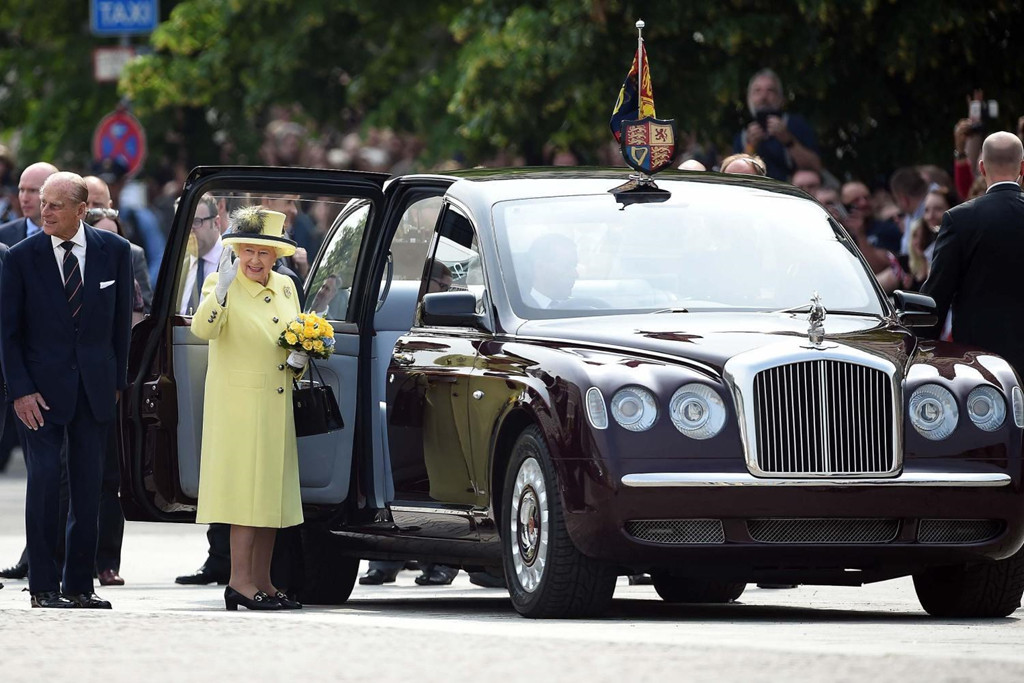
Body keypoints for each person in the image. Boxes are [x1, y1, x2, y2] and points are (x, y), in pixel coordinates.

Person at [0, 171, 133, 608]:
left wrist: (116, 384)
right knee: (43, 485)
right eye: (43, 203)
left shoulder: (114, 252)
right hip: (39, 394)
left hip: (94, 391)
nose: (45, 211)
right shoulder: (21, 257)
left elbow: (119, 328)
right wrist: (20, 391)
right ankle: (42, 586)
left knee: (89, 487)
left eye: (56, 205)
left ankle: (79, 585)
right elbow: (9, 333)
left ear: (82, 210)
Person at [190, 206, 304, 611]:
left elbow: (294, 332)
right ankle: (239, 581)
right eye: (248, 251)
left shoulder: (287, 287)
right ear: (236, 250)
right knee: (245, 496)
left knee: (270, 495)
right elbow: (203, 330)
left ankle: (264, 581)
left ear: (277, 256)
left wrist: (302, 354)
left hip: (276, 404)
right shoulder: (218, 284)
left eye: (264, 253)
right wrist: (220, 292)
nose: (255, 260)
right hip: (238, 407)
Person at [922, 131, 1024, 377]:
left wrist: (921, 346)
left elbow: (938, 294)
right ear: (1022, 167)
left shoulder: (960, 220)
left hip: (980, 361)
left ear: (981, 167)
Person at [0, 162, 58, 479]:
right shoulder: (4, 239)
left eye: (33, 190)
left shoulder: (72, 241)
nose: (25, 197)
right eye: (21, 189)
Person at [734, 68, 820, 181]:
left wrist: (789, 141)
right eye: (757, 91)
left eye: (770, 90)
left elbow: (816, 167)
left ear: (781, 98)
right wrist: (750, 146)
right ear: (749, 99)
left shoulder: (795, 124)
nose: (763, 97)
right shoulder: (743, 136)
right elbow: (736, 178)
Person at [85, 176, 153, 313]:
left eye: (97, 205)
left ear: (109, 207)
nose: (90, 211)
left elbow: (144, 310)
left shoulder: (133, 254)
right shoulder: (63, 250)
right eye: (85, 204)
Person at [178, 197, 226, 315]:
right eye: (185, 224)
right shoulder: (177, 264)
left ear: (216, 223)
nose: (189, 230)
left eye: (196, 222)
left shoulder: (233, 261)